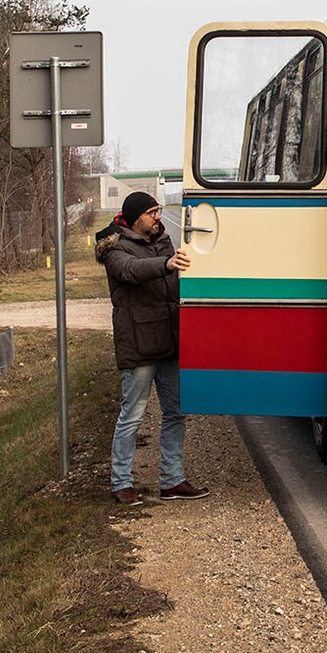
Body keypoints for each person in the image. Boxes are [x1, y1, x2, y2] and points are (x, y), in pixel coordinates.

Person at [94, 191, 209, 505]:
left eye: (159, 211)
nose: (158, 216)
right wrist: (167, 263)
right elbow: (130, 271)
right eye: (152, 212)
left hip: (169, 341)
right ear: (135, 218)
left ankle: (172, 481)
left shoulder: (162, 239)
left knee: (176, 413)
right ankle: (121, 483)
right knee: (132, 416)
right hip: (139, 344)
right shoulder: (114, 246)